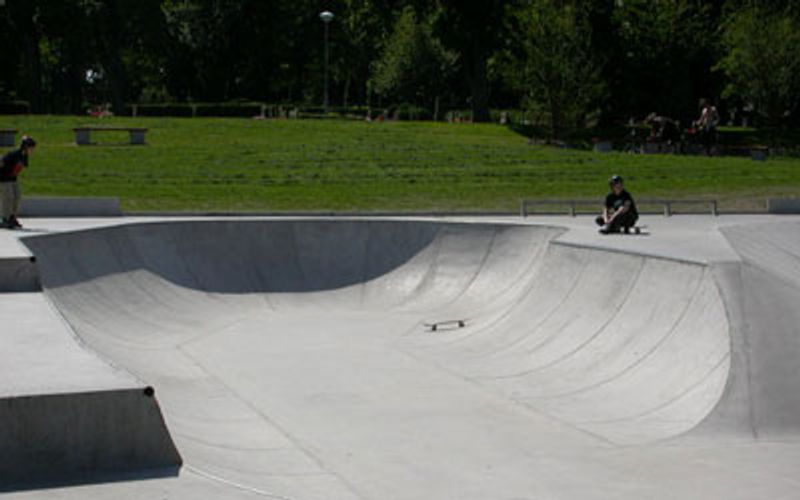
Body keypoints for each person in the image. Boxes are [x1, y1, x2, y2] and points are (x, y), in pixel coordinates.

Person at [1, 135, 37, 229]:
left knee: (17, 196)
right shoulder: (14, 154)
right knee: (8, 197)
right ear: (25, 147)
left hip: (13, 178)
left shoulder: (24, 155)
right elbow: (3, 163)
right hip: (3, 178)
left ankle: (12, 217)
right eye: (31, 148)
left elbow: (19, 168)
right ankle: (5, 218)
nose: (32, 150)